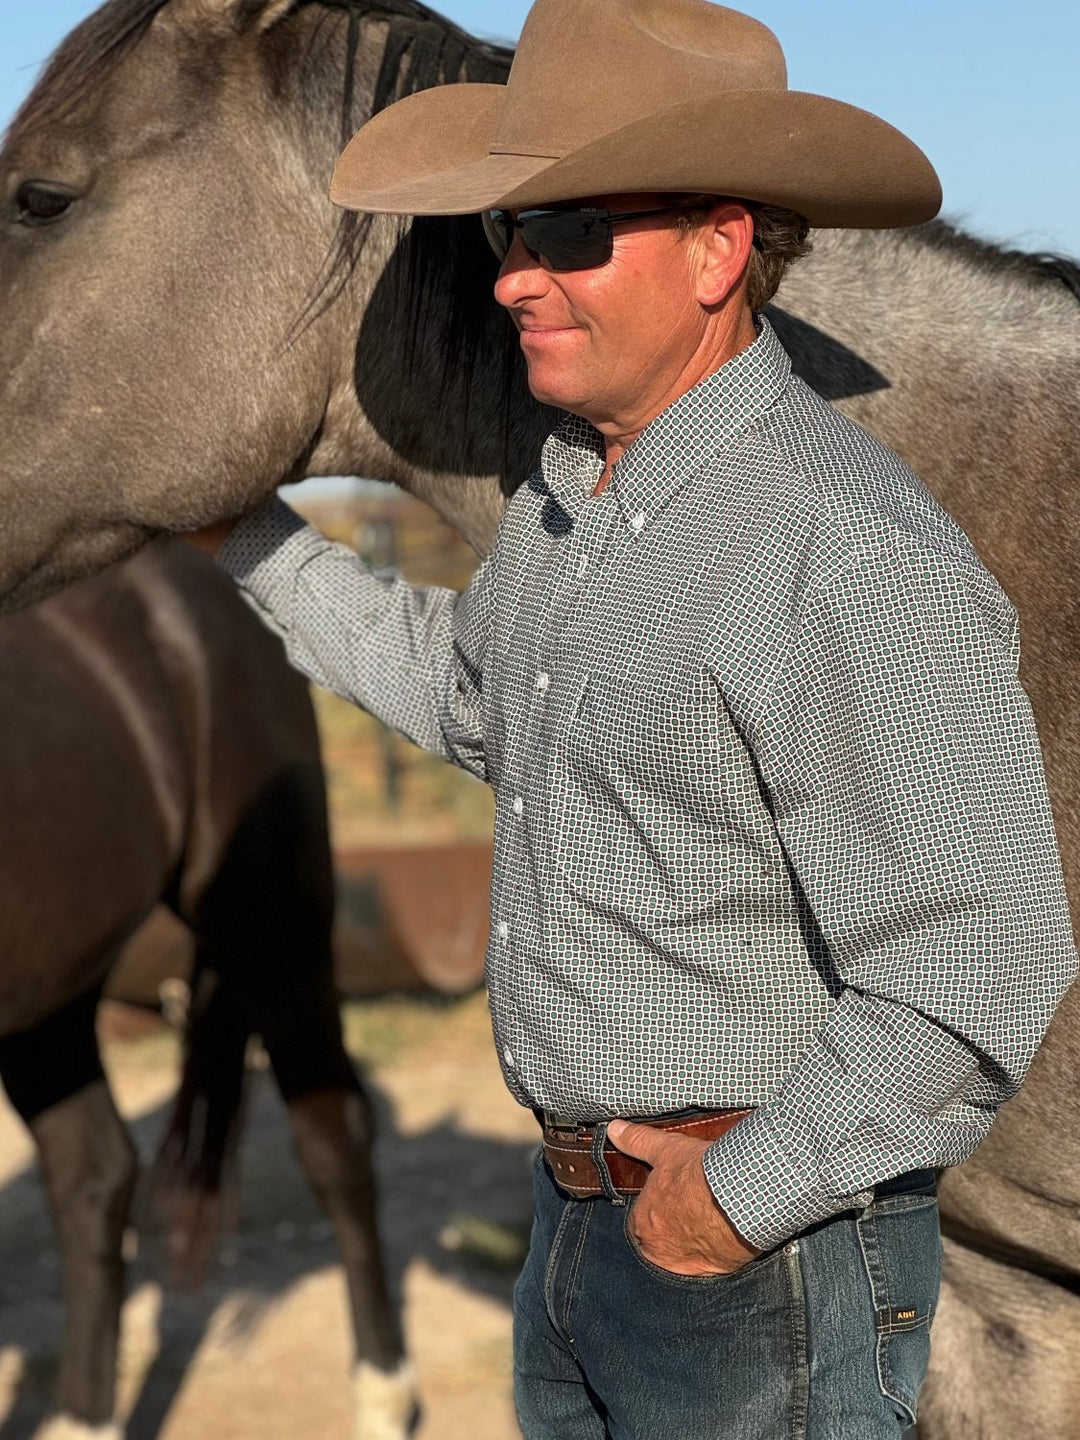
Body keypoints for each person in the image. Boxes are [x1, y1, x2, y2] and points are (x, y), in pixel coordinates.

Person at [192, 1, 1078, 1434]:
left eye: (570, 235)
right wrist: (245, 539)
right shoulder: (572, 507)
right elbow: (480, 701)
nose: (514, 284)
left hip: (754, 1262)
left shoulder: (840, 546)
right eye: (508, 237)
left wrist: (725, 1208)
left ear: (721, 248)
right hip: (581, 1229)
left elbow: (980, 958)